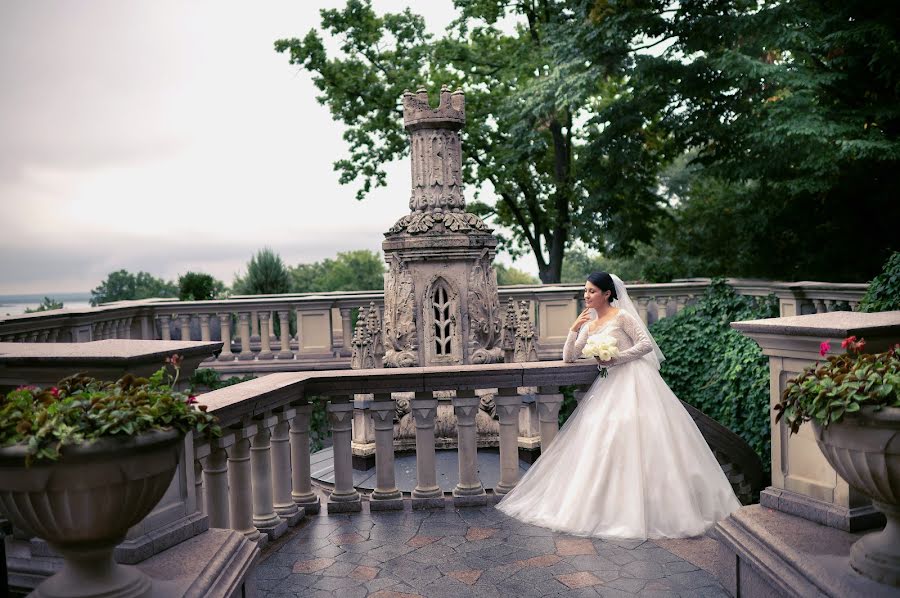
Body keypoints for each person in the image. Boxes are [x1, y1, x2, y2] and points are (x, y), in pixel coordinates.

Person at [496, 272, 741, 539]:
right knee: (602, 441)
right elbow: (569, 357)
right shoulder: (589, 324)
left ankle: (654, 509)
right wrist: (573, 329)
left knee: (640, 437)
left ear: (607, 294)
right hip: (607, 387)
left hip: (635, 381)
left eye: (591, 291)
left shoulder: (622, 316)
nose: (586, 295)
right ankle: (605, 507)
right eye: (585, 291)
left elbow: (646, 344)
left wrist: (617, 358)